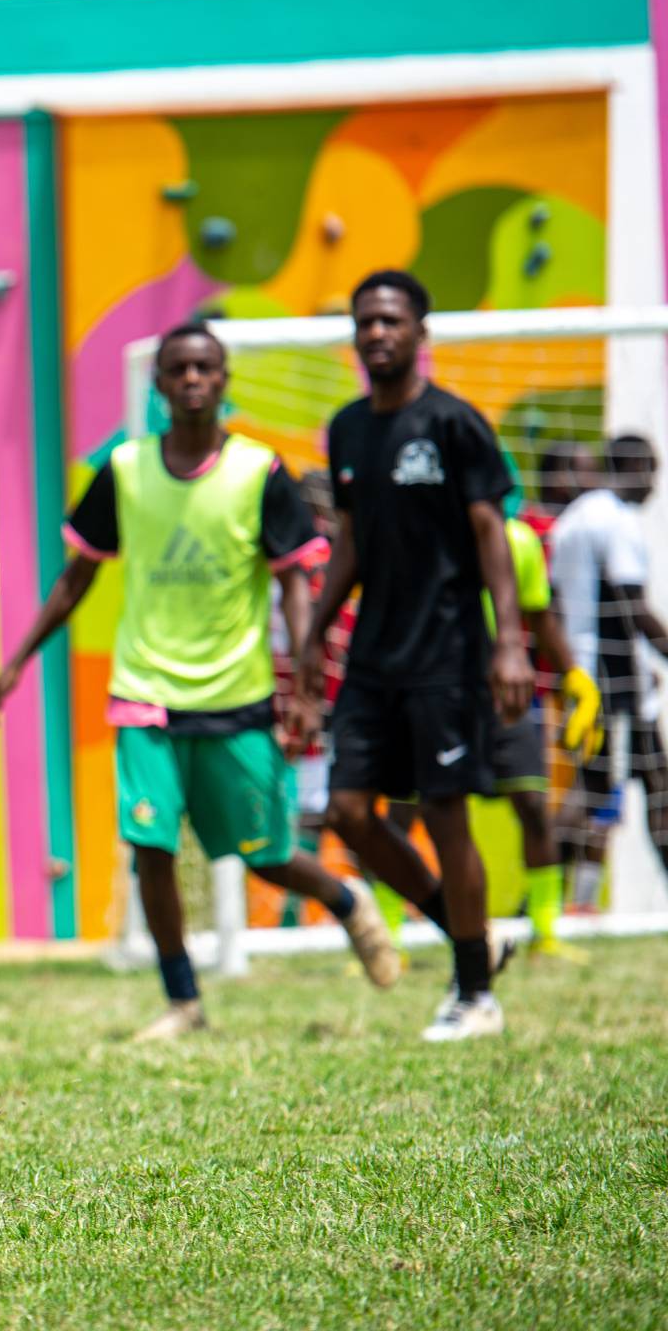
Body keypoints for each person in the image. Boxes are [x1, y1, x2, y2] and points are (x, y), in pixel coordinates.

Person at [0, 324, 396, 1039]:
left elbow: (295, 582)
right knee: (151, 847)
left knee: (267, 856)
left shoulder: (261, 472)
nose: (193, 378)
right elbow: (77, 578)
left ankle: (346, 900)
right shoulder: (125, 469)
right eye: (179, 368)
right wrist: (16, 662)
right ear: (160, 383)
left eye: (205, 367)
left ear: (224, 379)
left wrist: (304, 685)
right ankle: (183, 1001)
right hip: (146, 693)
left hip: (237, 699)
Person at [295, 269, 534, 1042]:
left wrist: (509, 642)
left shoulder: (455, 423)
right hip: (373, 655)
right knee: (348, 812)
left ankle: (475, 996)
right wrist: (315, 633)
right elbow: (352, 539)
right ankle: (472, 940)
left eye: (391, 320)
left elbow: (492, 533)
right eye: (365, 321)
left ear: (420, 332)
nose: (377, 332)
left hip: (449, 653)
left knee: (443, 813)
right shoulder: (347, 428)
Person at [384, 505, 602, 960]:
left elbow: (539, 617)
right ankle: (389, 939)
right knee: (404, 814)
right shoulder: (423, 533)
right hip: (432, 696)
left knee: (533, 807)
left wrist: (575, 679)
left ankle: (545, 932)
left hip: (504, 699)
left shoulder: (520, 541)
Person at [549, 434, 668, 908]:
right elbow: (630, 606)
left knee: (612, 788)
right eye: (652, 472)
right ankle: (541, 890)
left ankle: (558, 897)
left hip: (584, 673)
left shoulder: (573, 518)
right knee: (623, 789)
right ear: (634, 467)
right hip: (614, 682)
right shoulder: (615, 520)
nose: (654, 485)